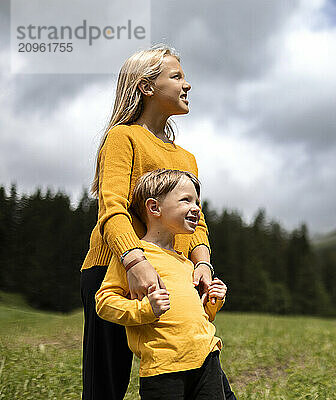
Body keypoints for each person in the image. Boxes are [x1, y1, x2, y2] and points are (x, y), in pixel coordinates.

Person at [79, 44, 225, 399]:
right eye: (176, 77)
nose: (186, 85)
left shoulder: (185, 157)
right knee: (106, 385)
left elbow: (198, 222)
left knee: (192, 363)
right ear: (146, 87)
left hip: (172, 273)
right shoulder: (123, 137)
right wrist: (135, 262)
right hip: (114, 268)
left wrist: (202, 263)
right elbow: (111, 208)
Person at [96, 169, 234, 399]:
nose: (196, 208)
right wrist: (144, 309)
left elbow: (201, 317)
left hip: (207, 359)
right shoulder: (136, 258)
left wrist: (213, 300)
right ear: (154, 208)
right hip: (163, 368)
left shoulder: (186, 261)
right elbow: (104, 302)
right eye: (186, 200)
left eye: (197, 202)